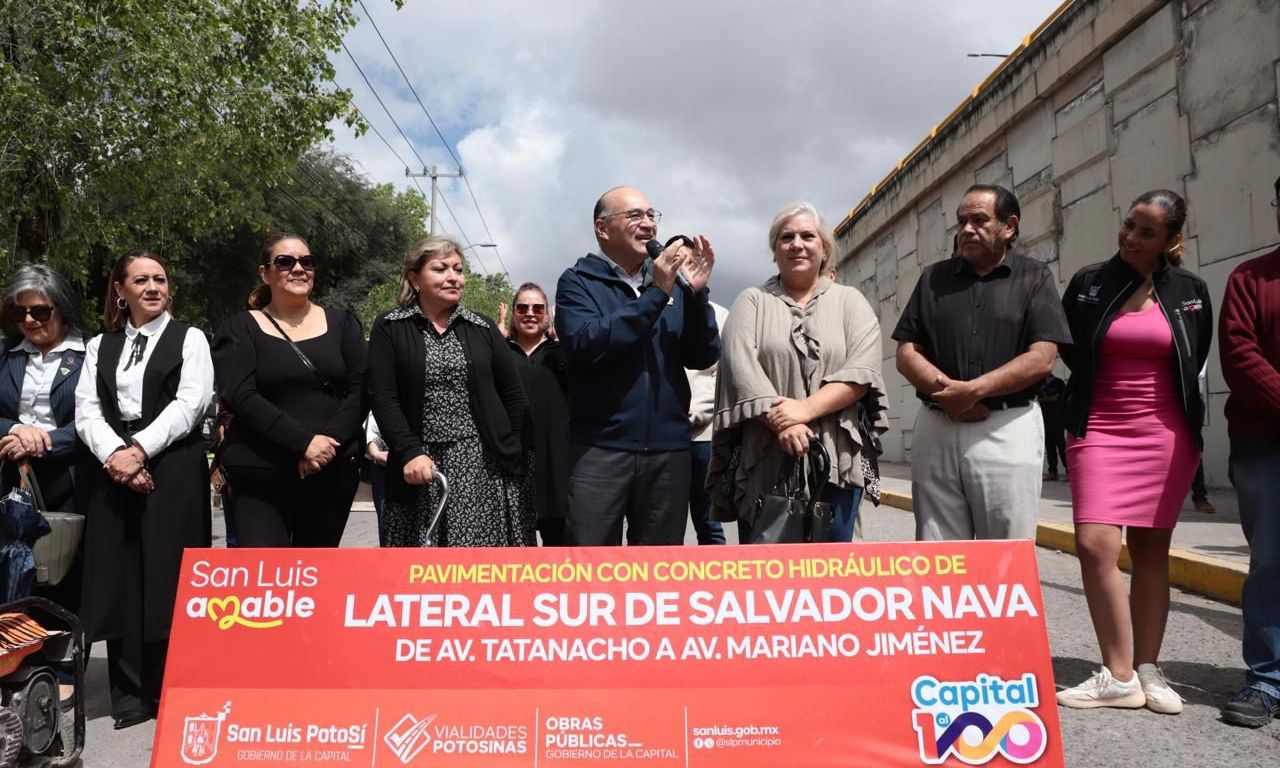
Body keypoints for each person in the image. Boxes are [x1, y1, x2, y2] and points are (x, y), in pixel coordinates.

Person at [1054, 189, 1212, 715]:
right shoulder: (1089, 283)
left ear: (1170, 239)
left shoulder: (1190, 290)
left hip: (1165, 434)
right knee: (1095, 543)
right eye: (1128, 225)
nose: (1131, 237)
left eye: (1147, 232)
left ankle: (1149, 669)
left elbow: (1194, 356)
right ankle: (1118, 675)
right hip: (1098, 426)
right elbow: (1066, 349)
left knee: (1150, 550)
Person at [74, 250, 213, 729]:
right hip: (113, 467)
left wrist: (140, 450)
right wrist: (117, 455)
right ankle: (129, 694)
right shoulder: (101, 345)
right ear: (120, 290)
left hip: (173, 464)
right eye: (141, 280)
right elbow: (87, 410)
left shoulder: (190, 338)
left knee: (169, 575)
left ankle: (171, 687)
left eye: (160, 279)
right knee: (121, 576)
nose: (153, 287)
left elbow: (190, 403)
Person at [893, 184, 1070, 541]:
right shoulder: (933, 278)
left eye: (979, 220)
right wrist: (952, 396)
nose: (967, 229)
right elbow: (907, 352)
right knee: (938, 553)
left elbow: (1042, 358)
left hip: (1007, 427)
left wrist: (973, 391)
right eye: (962, 222)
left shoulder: (1035, 277)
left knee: (1006, 549)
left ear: (1009, 226)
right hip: (938, 426)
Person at [708, 202, 887, 542]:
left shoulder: (851, 302)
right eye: (786, 237)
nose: (797, 244)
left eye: (808, 236)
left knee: (834, 564)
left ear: (824, 248)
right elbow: (739, 367)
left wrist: (803, 410)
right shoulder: (751, 301)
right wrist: (783, 424)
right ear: (775, 250)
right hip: (765, 454)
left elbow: (862, 371)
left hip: (837, 455)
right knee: (767, 566)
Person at [554, 186, 719, 545]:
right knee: (590, 564)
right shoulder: (577, 282)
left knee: (659, 568)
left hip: (669, 451)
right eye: (634, 215)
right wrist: (657, 294)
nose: (648, 224)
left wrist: (696, 297)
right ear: (602, 228)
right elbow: (587, 345)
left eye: (651, 215)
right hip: (600, 449)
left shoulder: (672, 282)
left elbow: (703, 355)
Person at [368, 236, 533, 547]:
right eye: (440, 269)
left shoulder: (481, 327)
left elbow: (514, 395)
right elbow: (383, 397)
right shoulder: (390, 327)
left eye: (458, 269)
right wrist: (410, 452)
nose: (453, 277)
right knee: (418, 563)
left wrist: (508, 447)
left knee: (474, 561)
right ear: (414, 278)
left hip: (480, 467)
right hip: (416, 464)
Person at [212, 232, 366, 547]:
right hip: (260, 473)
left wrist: (325, 446)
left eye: (306, 261)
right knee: (265, 572)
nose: (298, 268)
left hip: (331, 470)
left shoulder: (343, 324)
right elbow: (240, 395)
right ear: (265, 273)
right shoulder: (239, 328)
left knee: (317, 571)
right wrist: (303, 443)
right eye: (285, 261)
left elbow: (362, 390)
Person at [0, 265, 91, 711]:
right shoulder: (5, 354)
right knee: (15, 573)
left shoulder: (90, 353)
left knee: (62, 572)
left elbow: (99, 418)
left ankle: (64, 665)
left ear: (62, 307)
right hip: (11, 475)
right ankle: (20, 660)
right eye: (20, 313)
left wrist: (49, 440)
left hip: (70, 476)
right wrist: (16, 430)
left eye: (40, 311)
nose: (30, 321)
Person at [1218, 175, 1280, 728]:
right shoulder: (1250, 279)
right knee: (1271, 563)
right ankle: (1267, 679)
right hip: (1266, 445)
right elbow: (1239, 354)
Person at [503, 283, 570, 546]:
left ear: (547, 315)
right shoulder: (501, 354)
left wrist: (563, 340)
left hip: (555, 462)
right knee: (516, 544)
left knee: (558, 543)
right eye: (522, 308)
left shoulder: (561, 353)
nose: (530, 313)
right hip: (513, 461)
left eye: (538, 308)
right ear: (513, 315)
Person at [686, 301, 729, 545]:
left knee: (708, 521)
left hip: (703, 436)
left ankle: (715, 570)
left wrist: (695, 412)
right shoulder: (655, 306)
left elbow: (724, 374)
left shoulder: (719, 315)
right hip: (663, 435)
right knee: (663, 523)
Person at [1038, 374, 1067, 481]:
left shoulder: (1058, 382)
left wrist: (1051, 399)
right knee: (1049, 444)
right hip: (1045, 417)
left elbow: (1063, 398)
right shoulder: (1039, 383)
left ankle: (1068, 470)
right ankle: (1052, 471)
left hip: (1057, 417)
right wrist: (1047, 399)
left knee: (1060, 443)